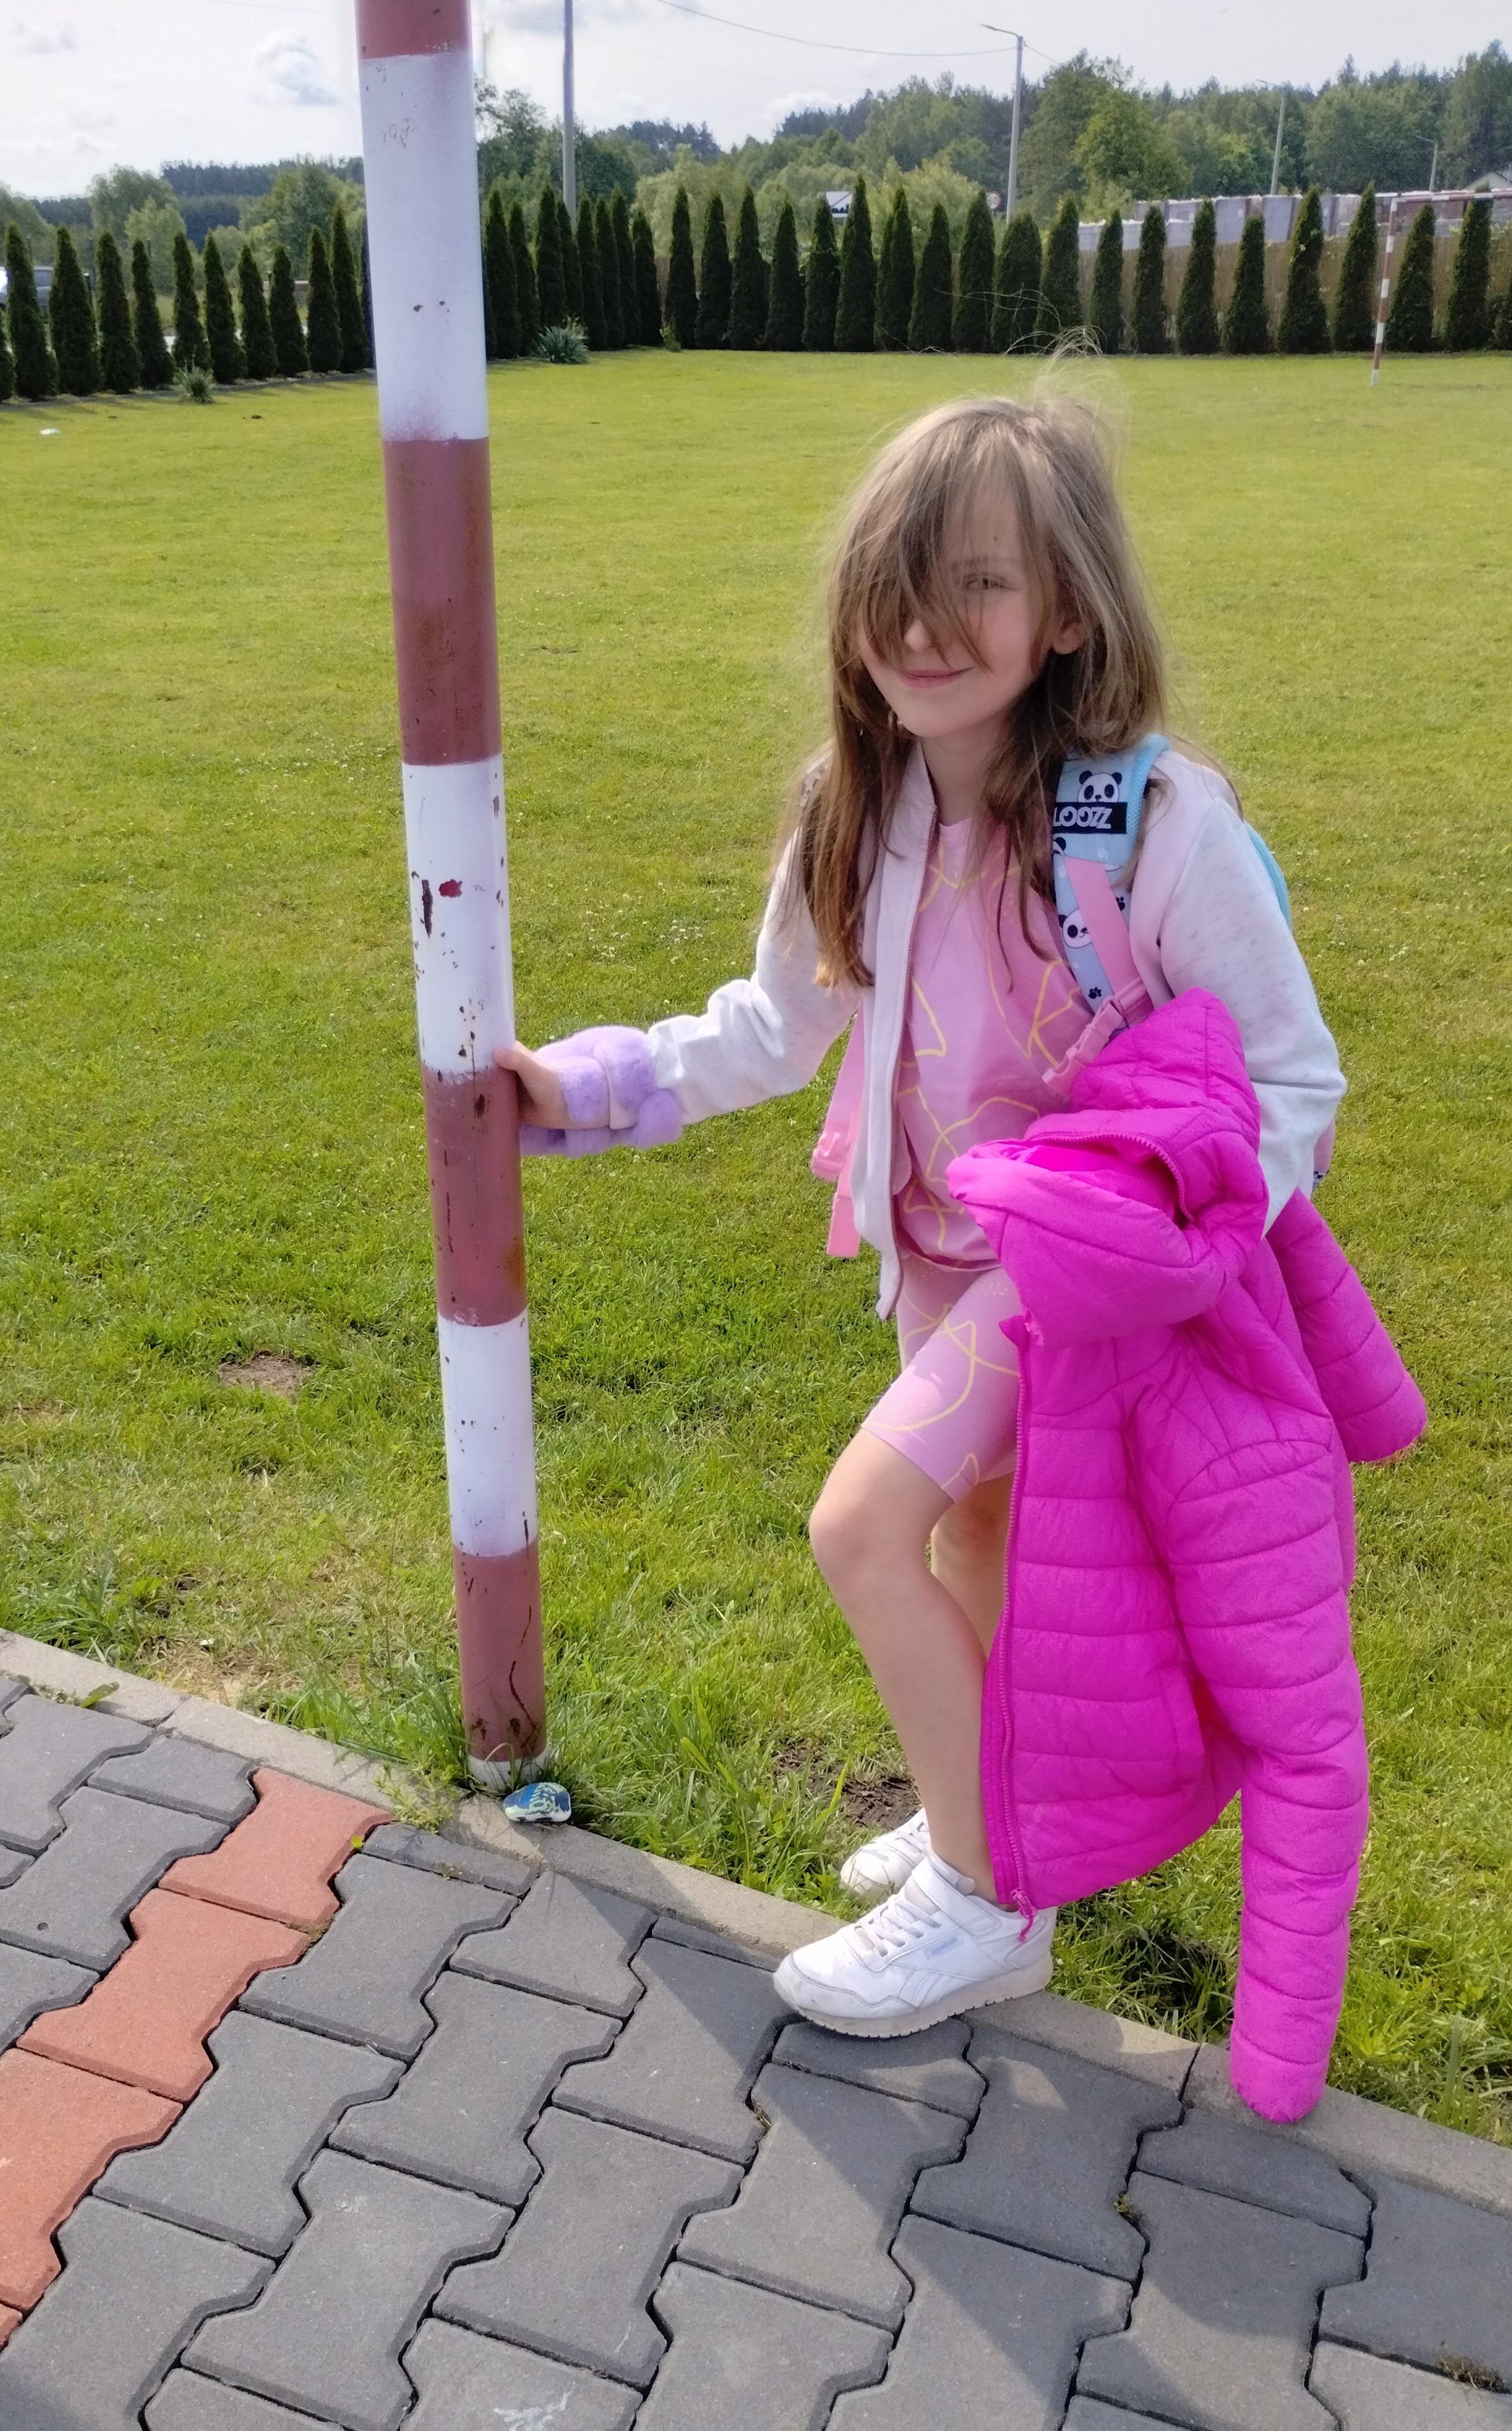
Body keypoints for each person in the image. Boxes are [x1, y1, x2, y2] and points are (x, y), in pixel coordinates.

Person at [497, 391, 1347, 2040]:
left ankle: (985, 1898)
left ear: (1069, 613)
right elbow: (771, 1026)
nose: (923, 626)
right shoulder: (859, 804)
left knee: (863, 1526)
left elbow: (1290, 1077)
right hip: (937, 1258)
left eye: (980, 585)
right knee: (973, 1546)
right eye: (895, 582)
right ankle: (993, 1807)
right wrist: (586, 1087)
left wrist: (1175, 1240)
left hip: (1076, 1281)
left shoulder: (1149, 823)